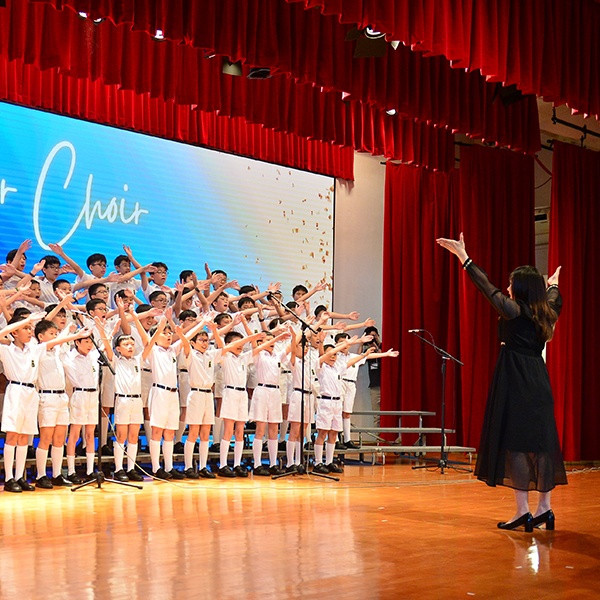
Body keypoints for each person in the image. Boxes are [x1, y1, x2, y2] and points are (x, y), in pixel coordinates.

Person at [436, 232, 566, 531]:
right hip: (538, 380)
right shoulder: (547, 312)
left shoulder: (515, 311)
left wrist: (464, 258)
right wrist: (554, 284)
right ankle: (545, 509)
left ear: (519, 289)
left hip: (515, 380)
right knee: (542, 443)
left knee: (516, 443)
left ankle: (523, 512)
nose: (506, 288)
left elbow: (487, 289)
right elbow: (554, 297)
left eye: (511, 284)